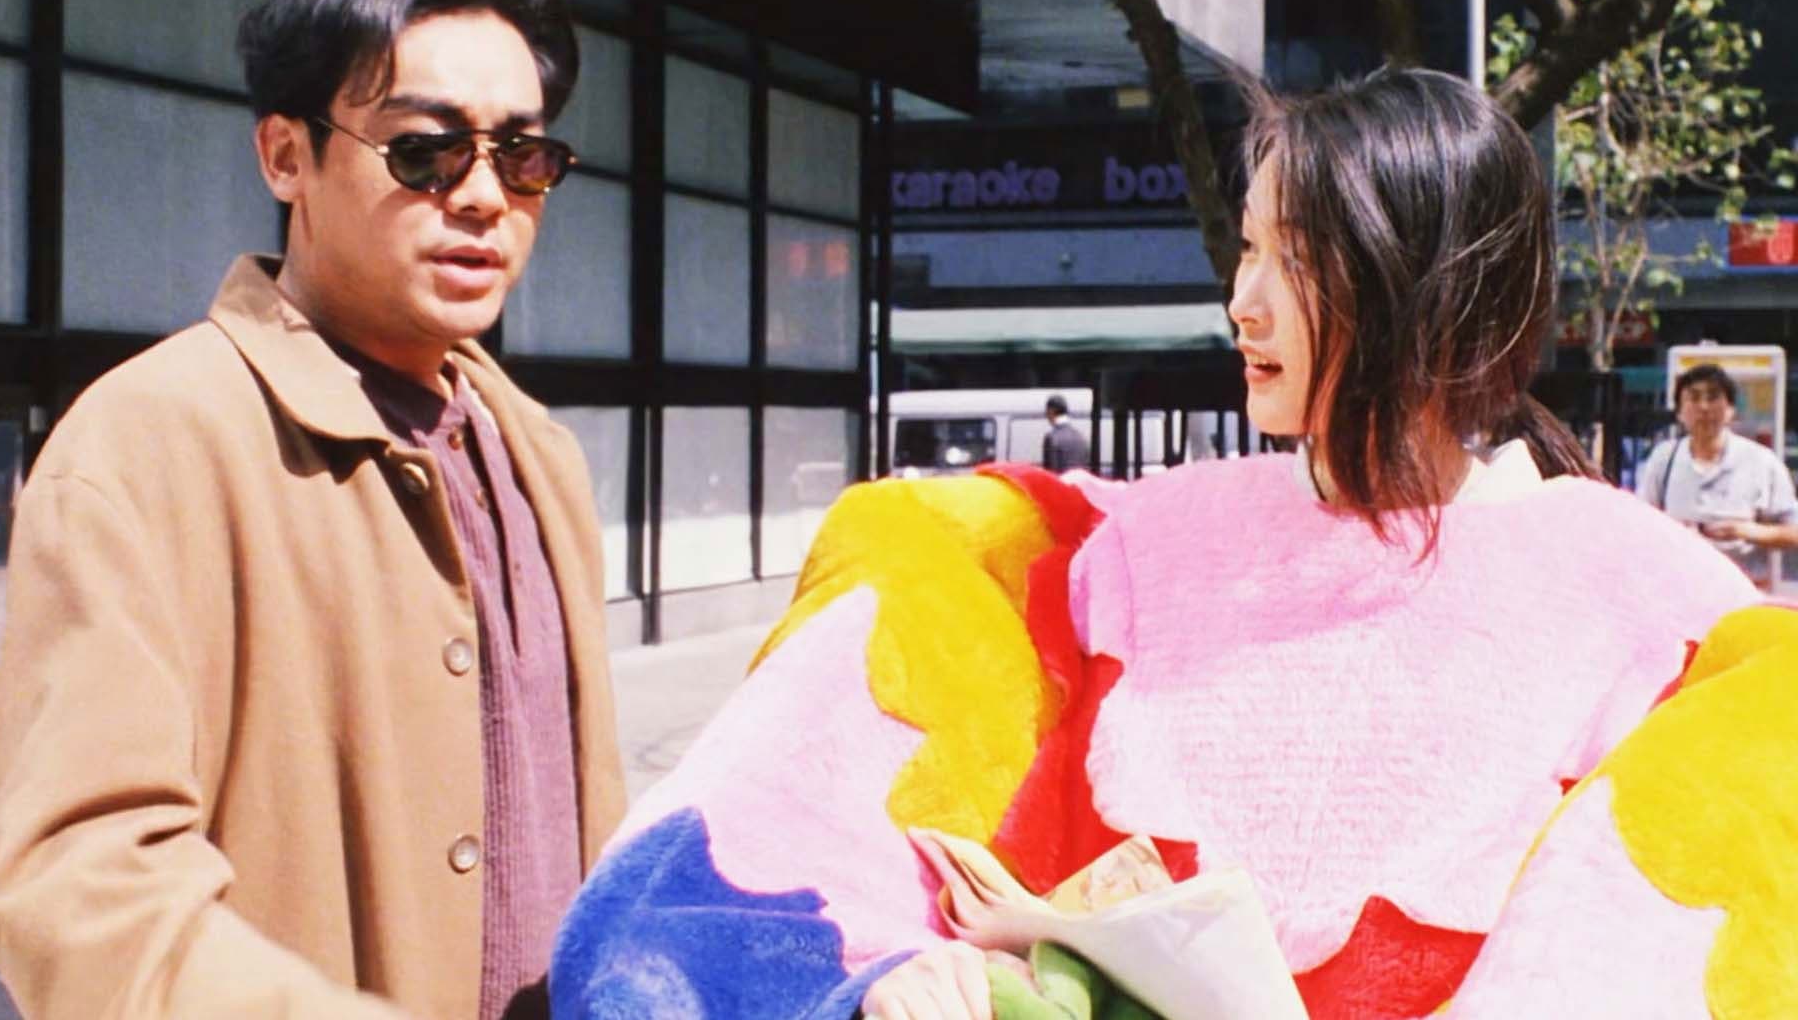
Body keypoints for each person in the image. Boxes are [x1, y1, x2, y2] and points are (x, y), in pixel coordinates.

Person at [542, 69, 1763, 1019]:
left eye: (1296, 259)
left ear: (1425, 288)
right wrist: (878, 964)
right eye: (1248, 248)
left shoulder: (1652, 600)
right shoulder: (1119, 543)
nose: (1243, 302)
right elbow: (793, 835)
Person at [0, 0, 624, 1018]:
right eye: (424, 150)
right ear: (286, 155)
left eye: (522, 155)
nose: (481, 196)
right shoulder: (152, 444)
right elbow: (80, 890)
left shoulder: (534, 451)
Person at [1638, 363, 1798, 588]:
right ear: (1680, 412)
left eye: (1713, 397)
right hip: (1678, 588)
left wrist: (1748, 531)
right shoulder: (1663, 459)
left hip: (1743, 591)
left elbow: (1794, 533)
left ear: (1731, 409)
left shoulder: (1761, 461)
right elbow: (1642, 522)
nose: (1704, 407)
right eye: (1694, 398)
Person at [1040, 394, 1089, 472]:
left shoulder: (1051, 438)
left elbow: (1050, 473)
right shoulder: (1081, 437)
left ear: (1051, 411)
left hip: (1060, 479)